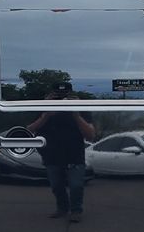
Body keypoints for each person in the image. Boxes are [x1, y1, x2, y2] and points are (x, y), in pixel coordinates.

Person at [28, 82, 95, 222]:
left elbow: (90, 135)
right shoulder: (44, 108)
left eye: (65, 96)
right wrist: (46, 114)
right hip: (51, 155)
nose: (61, 99)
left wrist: (76, 114)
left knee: (76, 185)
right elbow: (29, 130)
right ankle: (62, 208)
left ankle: (76, 211)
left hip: (75, 155)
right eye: (57, 96)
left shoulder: (80, 108)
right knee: (56, 186)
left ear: (71, 95)